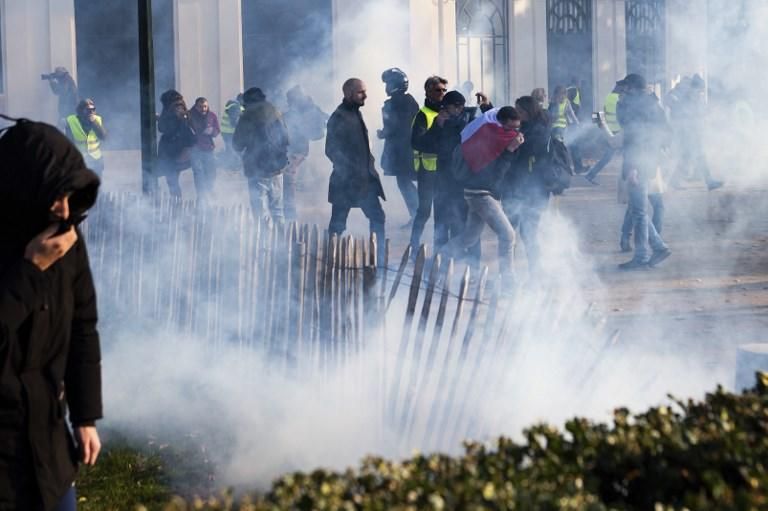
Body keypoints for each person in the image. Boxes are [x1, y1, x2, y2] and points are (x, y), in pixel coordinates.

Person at [0, 118, 103, 510]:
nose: (63, 209)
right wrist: (28, 271)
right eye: (52, 196)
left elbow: (82, 328)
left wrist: (85, 416)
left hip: (48, 445)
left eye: (70, 195)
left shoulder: (65, 238)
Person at [441, 106, 525, 288]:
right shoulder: (494, 140)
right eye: (511, 128)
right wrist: (510, 151)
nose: (514, 133)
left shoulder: (493, 133)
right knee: (508, 235)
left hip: (481, 193)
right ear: (501, 124)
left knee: (469, 237)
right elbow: (495, 176)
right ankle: (509, 284)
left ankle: (440, 257)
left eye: (517, 128)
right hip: (481, 194)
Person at [325, 78, 386, 262]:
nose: (365, 95)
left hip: (364, 181)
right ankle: (332, 259)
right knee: (338, 224)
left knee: (378, 217)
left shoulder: (355, 113)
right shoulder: (339, 117)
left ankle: (378, 258)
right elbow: (331, 150)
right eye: (360, 92)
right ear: (348, 93)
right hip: (346, 182)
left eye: (364, 91)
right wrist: (349, 172)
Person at [616, 73, 672, 270]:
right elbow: (667, 133)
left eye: (626, 87)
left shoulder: (631, 105)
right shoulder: (653, 104)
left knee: (639, 212)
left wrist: (631, 167)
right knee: (637, 208)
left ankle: (644, 255)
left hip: (637, 161)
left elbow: (633, 137)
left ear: (631, 87)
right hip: (650, 160)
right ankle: (657, 247)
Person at [502, 96, 552, 277]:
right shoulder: (524, 128)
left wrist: (516, 142)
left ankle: (534, 273)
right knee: (508, 233)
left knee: (528, 234)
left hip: (532, 191)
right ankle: (508, 274)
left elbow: (525, 154)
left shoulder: (538, 131)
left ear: (528, 112)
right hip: (515, 189)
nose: (517, 115)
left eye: (520, 111)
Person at [233, 87, 289, 222]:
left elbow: (237, 144)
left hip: (256, 169)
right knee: (278, 210)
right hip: (277, 167)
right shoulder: (274, 110)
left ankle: (265, 242)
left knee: (261, 213)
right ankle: (281, 239)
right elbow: (286, 139)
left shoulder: (247, 115)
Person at [409, 75, 447, 254]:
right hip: (427, 171)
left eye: (444, 90)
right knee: (424, 211)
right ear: (428, 92)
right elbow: (417, 142)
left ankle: (439, 251)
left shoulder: (446, 112)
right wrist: (437, 126)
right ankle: (414, 246)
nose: (442, 93)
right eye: (438, 90)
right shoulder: (423, 115)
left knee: (442, 213)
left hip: (444, 172)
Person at [377, 68, 420, 228]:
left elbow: (394, 126)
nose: (386, 87)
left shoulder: (395, 103)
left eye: (388, 83)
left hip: (403, 151)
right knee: (407, 181)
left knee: (404, 182)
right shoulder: (409, 100)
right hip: (410, 148)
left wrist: (382, 133)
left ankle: (418, 214)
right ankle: (418, 214)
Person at [667, 74, 724, 191]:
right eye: (699, 90)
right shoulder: (683, 96)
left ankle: (674, 180)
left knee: (687, 157)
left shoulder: (693, 98)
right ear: (693, 87)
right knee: (699, 156)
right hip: (687, 132)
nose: (700, 93)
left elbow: (698, 113)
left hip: (692, 131)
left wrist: (707, 112)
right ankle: (709, 181)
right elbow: (679, 110)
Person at [283, 85, 328, 222]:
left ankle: (290, 215)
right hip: (302, 150)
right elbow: (328, 119)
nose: (288, 102)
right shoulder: (312, 108)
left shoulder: (298, 112)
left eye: (289, 99)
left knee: (288, 180)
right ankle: (291, 212)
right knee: (290, 180)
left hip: (295, 150)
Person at [585, 80, 626, 184]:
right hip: (618, 132)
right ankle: (625, 180)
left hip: (610, 131)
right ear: (621, 88)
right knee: (627, 156)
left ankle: (590, 175)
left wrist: (599, 125)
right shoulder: (620, 98)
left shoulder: (608, 97)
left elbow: (601, 111)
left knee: (607, 157)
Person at [157, 89, 196, 199]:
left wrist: (185, 149)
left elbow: (165, 127)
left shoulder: (175, 109)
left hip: (173, 150)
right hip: (173, 149)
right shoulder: (177, 108)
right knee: (171, 180)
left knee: (171, 181)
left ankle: (176, 206)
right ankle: (175, 203)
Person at [187, 97, 220, 205]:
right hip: (195, 149)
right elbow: (186, 131)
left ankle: (209, 192)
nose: (203, 109)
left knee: (211, 172)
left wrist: (212, 132)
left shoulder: (212, 116)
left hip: (208, 148)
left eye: (205, 106)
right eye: (201, 107)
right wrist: (200, 132)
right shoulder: (189, 115)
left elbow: (217, 130)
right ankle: (201, 197)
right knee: (199, 173)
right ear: (196, 106)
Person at [64, 99, 107, 178]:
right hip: (80, 158)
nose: (91, 112)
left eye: (93, 109)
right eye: (88, 110)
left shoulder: (97, 119)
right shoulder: (72, 121)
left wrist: (94, 123)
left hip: (96, 158)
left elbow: (103, 137)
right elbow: (69, 142)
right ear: (80, 111)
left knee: (97, 183)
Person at [218, 93, 244, 170]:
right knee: (233, 150)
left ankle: (230, 165)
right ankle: (231, 166)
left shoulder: (237, 105)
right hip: (230, 133)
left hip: (227, 132)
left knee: (231, 149)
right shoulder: (235, 107)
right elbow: (233, 122)